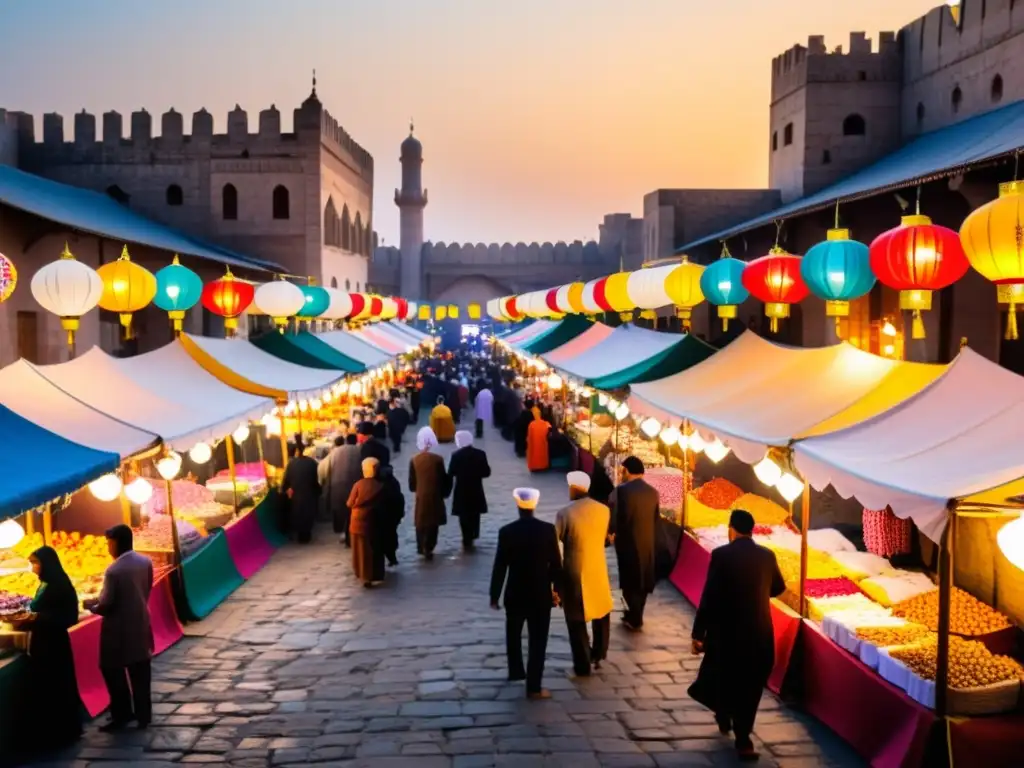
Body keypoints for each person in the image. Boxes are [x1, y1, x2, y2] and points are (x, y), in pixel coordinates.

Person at [691, 510, 786, 762]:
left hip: (726, 633)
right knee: (750, 685)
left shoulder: (721, 555)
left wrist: (698, 633)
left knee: (725, 675)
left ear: (731, 529)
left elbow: (709, 596)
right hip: (759, 633)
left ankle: (724, 713)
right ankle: (743, 738)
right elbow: (779, 588)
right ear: (752, 530)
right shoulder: (767, 556)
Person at [490, 488, 563, 700]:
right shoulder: (548, 530)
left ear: (518, 506)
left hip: (515, 591)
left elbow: (500, 566)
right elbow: (556, 565)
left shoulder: (506, 531)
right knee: (538, 640)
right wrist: (557, 591)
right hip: (540, 593)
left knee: (513, 633)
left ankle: (515, 671)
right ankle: (534, 686)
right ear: (535, 505)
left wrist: (494, 595)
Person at [11, 546, 83, 748]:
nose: (33, 568)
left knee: (57, 686)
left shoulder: (59, 585)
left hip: (54, 644)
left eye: (36, 563)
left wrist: (38, 617)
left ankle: (61, 732)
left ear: (47, 564)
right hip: (42, 643)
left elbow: (69, 616)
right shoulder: (44, 584)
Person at [84, 525, 154, 731]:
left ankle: (122, 714)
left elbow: (106, 605)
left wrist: (91, 606)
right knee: (141, 671)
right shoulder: (145, 562)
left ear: (115, 542)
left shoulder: (114, 570)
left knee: (113, 671)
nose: (107, 547)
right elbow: (146, 589)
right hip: (140, 622)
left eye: (108, 542)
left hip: (117, 630)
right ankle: (144, 715)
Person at [555, 472, 614, 676]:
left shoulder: (565, 514)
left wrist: (555, 582)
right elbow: (604, 539)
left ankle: (582, 662)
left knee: (575, 618)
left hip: (574, 571)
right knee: (601, 609)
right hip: (598, 569)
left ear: (574, 487)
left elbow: (555, 547)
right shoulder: (604, 510)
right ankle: (599, 651)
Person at [610, 456, 660, 630]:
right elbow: (656, 519)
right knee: (643, 579)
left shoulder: (622, 491)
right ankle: (636, 614)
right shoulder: (653, 492)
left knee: (629, 578)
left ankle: (634, 616)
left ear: (627, 471)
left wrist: (611, 533)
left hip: (628, 542)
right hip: (647, 543)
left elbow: (615, 515)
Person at [409, 426, 451, 560]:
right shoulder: (438, 459)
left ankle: (420, 546)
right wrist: (444, 493)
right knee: (433, 522)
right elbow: (443, 478)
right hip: (435, 495)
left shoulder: (414, 460)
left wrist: (417, 488)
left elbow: (412, 483)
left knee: (421, 521)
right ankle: (429, 547)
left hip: (421, 495)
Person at [447, 430, 492, 551]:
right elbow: (486, 472)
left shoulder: (456, 455)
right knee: (475, 514)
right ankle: (473, 534)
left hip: (461, 489)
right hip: (476, 488)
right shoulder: (480, 454)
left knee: (463, 515)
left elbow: (451, 472)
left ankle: (466, 537)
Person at [346, 457, 386, 587]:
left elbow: (350, 503)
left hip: (357, 522)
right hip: (372, 522)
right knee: (371, 550)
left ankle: (362, 574)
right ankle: (371, 575)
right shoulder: (380, 486)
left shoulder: (358, 484)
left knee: (359, 550)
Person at [319, 434, 362, 547]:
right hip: (354, 486)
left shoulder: (336, 452)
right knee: (351, 512)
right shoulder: (360, 451)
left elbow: (324, 469)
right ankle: (349, 537)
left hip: (337, 486)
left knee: (342, 512)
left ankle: (345, 534)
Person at [282, 445, 321, 543]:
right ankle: (306, 535)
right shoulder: (312, 463)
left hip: (297, 494)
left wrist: (285, 489)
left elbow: (286, 481)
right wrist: (318, 491)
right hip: (309, 493)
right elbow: (316, 480)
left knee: (298, 514)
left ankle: (301, 535)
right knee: (308, 514)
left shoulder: (291, 463)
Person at [377, 462, 406, 566]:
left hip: (384, 515)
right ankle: (392, 558)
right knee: (391, 536)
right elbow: (399, 498)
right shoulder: (394, 482)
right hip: (393, 515)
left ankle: (388, 558)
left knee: (385, 537)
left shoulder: (379, 484)